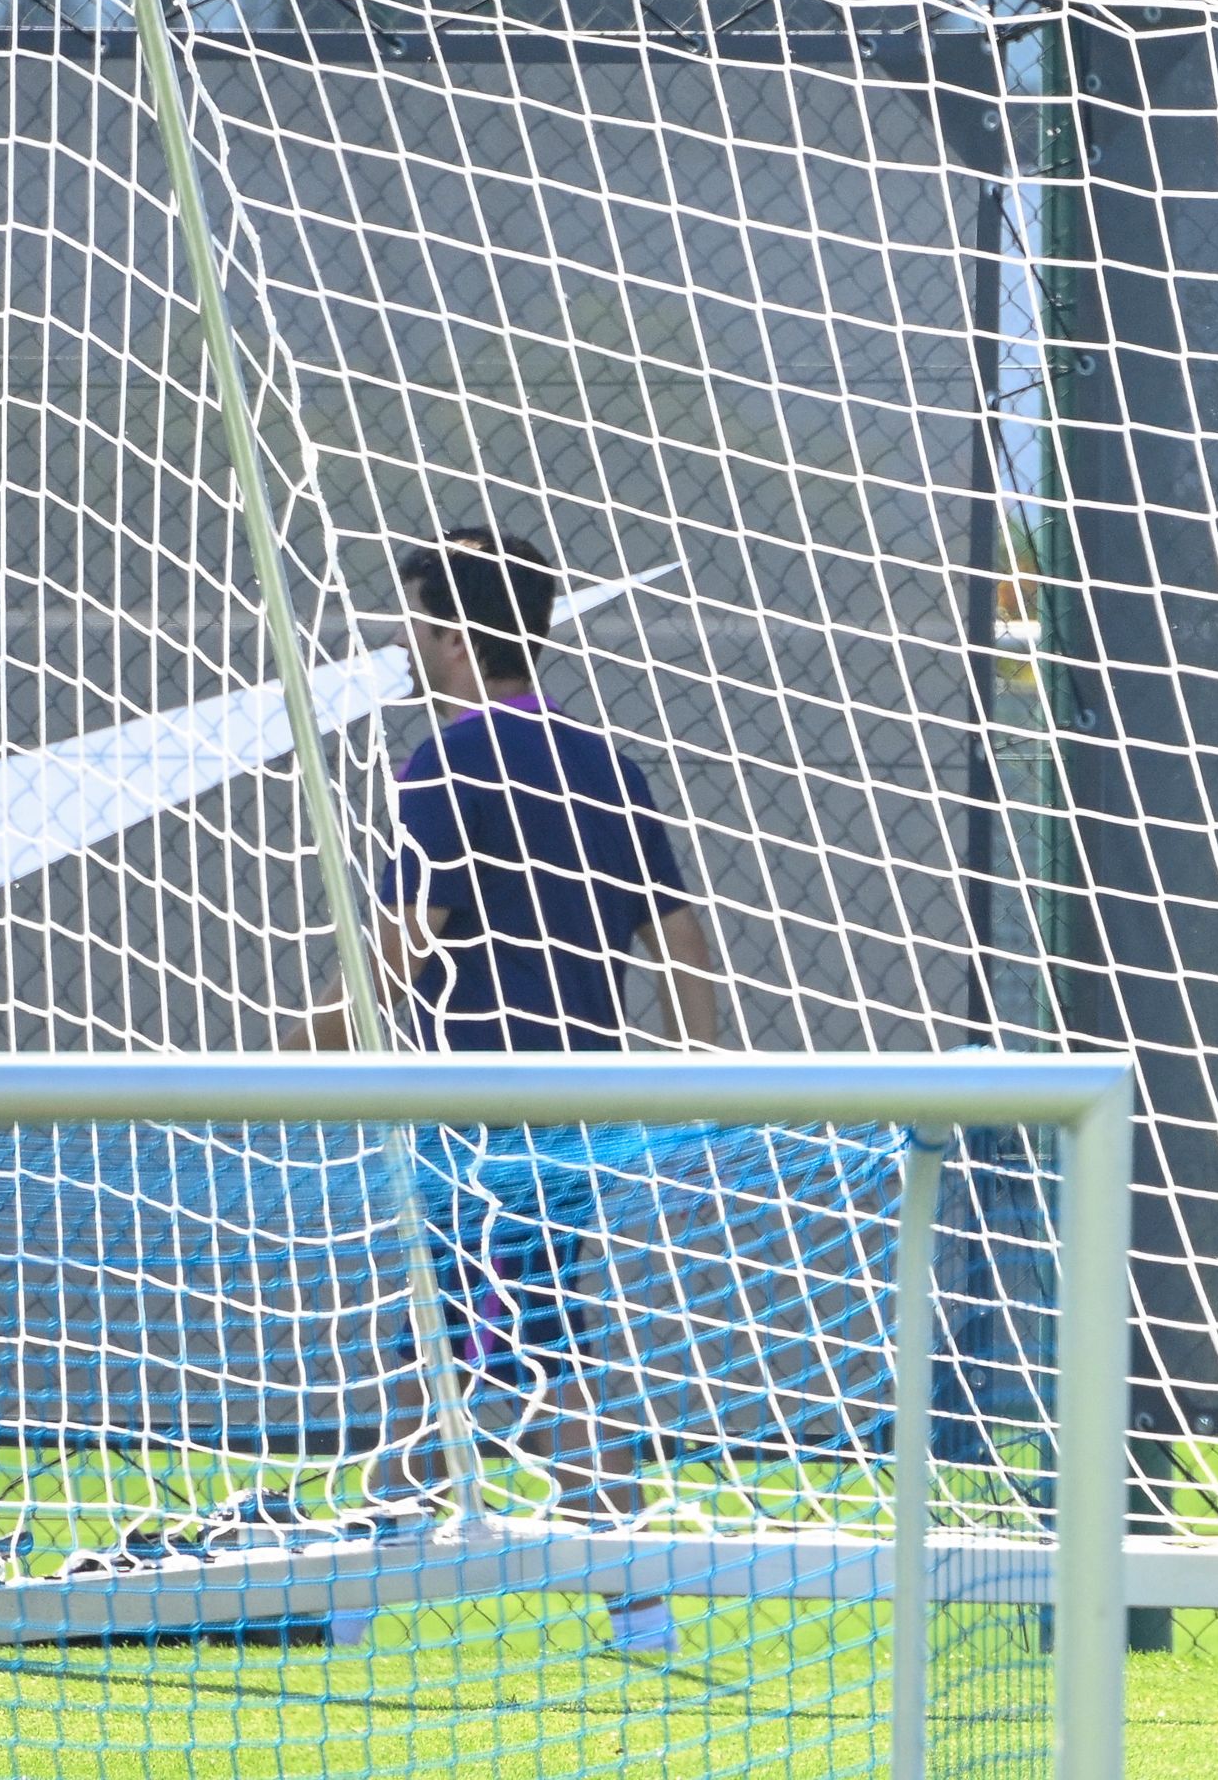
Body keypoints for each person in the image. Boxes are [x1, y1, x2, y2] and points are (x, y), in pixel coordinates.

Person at [297, 527, 721, 1655]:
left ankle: (628, 1609)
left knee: (520, 1357)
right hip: (571, 1113)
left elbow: (403, 939)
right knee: (461, 1343)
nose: (403, 640)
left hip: (474, 1118)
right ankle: (370, 1589)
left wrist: (318, 1038)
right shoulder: (605, 763)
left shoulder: (444, 766)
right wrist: (687, 1077)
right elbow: (683, 946)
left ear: (448, 635)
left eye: (415, 620)